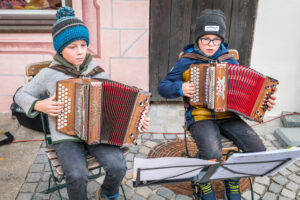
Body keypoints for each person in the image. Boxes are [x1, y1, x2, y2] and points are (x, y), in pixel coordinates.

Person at [15, 6, 150, 200]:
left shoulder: (96, 71)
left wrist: (138, 120)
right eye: (72, 47)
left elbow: (117, 104)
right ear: (60, 48)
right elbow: (20, 94)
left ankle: (106, 193)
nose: (79, 52)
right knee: (77, 175)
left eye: (83, 45)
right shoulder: (48, 74)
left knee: (118, 166)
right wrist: (38, 105)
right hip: (65, 137)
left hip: (98, 133)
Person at [157, 9, 276, 200]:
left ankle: (232, 176)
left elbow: (246, 91)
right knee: (212, 152)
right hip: (200, 117)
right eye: (205, 39)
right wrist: (180, 87)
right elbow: (163, 87)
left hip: (228, 115)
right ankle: (202, 179)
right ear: (197, 39)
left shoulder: (229, 60)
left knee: (257, 151)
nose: (211, 45)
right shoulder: (187, 61)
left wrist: (264, 102)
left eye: (216, 39)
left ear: (222, 39)